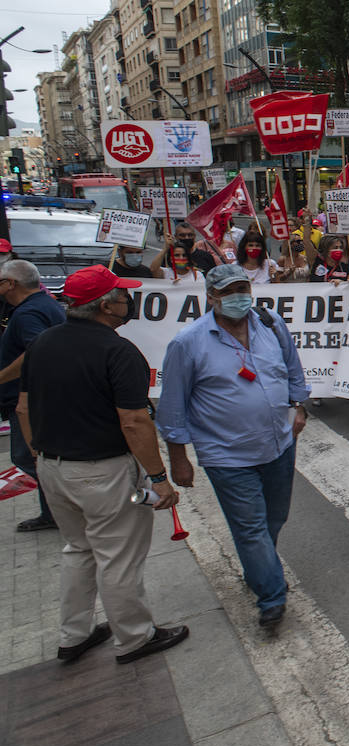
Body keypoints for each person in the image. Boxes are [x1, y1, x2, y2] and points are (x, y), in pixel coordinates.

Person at [16, 265, 188, 663]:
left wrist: (40, 454)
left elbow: (24, 407)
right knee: (118, 556)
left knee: (78, 549)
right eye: (121, 295)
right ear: (107, 306)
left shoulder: (42, 344)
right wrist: (159, 479)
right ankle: (134, 637)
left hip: (54, 468)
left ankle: (73, 634)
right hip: (103, 472)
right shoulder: (118, 351)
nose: (127, 301)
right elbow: (133, 420)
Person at [157, 264, 311, 628]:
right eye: (228, 291)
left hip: (279, 444)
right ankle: (271, 596)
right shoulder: (188, 342)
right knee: (251, 528)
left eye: (242, 288)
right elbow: (172, 405)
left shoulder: (270, 323)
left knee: (274, 518)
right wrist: (178, 459)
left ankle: (260, 569)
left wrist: (299, 406)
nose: (238, 296)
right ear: (210, 297)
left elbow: (293, 367)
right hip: (227, 455)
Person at [0, 260, 67, 531]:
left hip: (28, 400)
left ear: (10, 284)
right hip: (39, 397)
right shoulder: (42, 303)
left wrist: (2, 377)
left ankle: (61, 508)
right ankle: (54, 511)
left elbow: (38, 349)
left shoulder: (28, 313)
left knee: (28, 457)